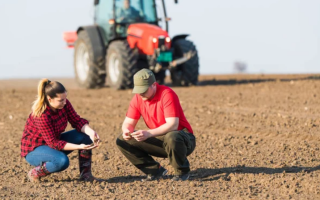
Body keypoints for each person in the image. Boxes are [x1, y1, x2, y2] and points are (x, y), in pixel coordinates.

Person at [116, 69, 196, 181]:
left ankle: (182, 172)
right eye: (138, 90)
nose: (140, 93)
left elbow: (172, 125)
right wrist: (126, 131)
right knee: (122, 140)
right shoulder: (138, 99)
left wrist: (148, 133)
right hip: (159, 138)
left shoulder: (167, 94)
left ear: (153, 84)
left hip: (183, 139)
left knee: (172, 136)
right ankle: (154, 171)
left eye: (143, 90)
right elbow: (128, 122)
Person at [20, 79, 101, 182]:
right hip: (35, 149)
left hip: (52, 143)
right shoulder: (41, 115)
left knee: (85, 136)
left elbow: (76, 120)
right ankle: (35, 173)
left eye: (65, 98)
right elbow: (54, 143)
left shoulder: (64, 104)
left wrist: (91, 133)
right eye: (60, 100)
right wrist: (79, 147)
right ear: (49, 99)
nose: (64, 102)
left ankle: (86, 176)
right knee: (61, 161)